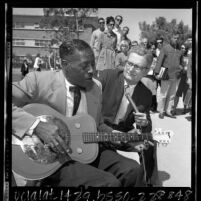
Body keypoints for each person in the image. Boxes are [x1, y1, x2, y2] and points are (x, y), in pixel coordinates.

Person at [12, 39, 147, 187]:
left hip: (86, 149)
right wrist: (36, 125)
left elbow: (98, 125)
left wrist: (121, 136)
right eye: (84, 66)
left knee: (133, 170)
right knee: (108, 183)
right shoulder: (38, 81)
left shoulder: (96, 87)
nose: (91, 70)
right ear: (64, 65)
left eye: (93, 64)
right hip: (51, 158)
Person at [98, 46, 159, 186]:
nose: (131, 69)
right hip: (99, 129)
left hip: (123, 133)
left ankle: (148, 182)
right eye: (129, 63)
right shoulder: (107, 76)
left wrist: (144, 123)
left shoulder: (146, 94)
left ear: (146, 71)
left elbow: (146, 125)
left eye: (137, 67)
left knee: (149, 144)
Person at [154, 33, 183, 119]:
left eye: (177, 38)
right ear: (171, 38)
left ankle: (168, 111)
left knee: (172, 95)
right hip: (166, 74)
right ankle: (161, 111)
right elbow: (159, 60)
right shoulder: (165, 48)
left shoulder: (179, 50)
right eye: (174, 38)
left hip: (175, 76)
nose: (176, 40)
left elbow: (181, 62)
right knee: (163, 94)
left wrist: (180, 68)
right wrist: (157, 72)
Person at [172, 44, 189, 115]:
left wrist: (187, 69)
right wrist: (181, 68)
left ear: (186, 49)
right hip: (179, 77)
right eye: (181, 48)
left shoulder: (188, 57)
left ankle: (185, 108)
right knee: (177, 93)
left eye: (184, 48)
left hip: (187, 77)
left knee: (186, 93)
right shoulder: (177, 56)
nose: (183, 49)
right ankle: (174, 109)